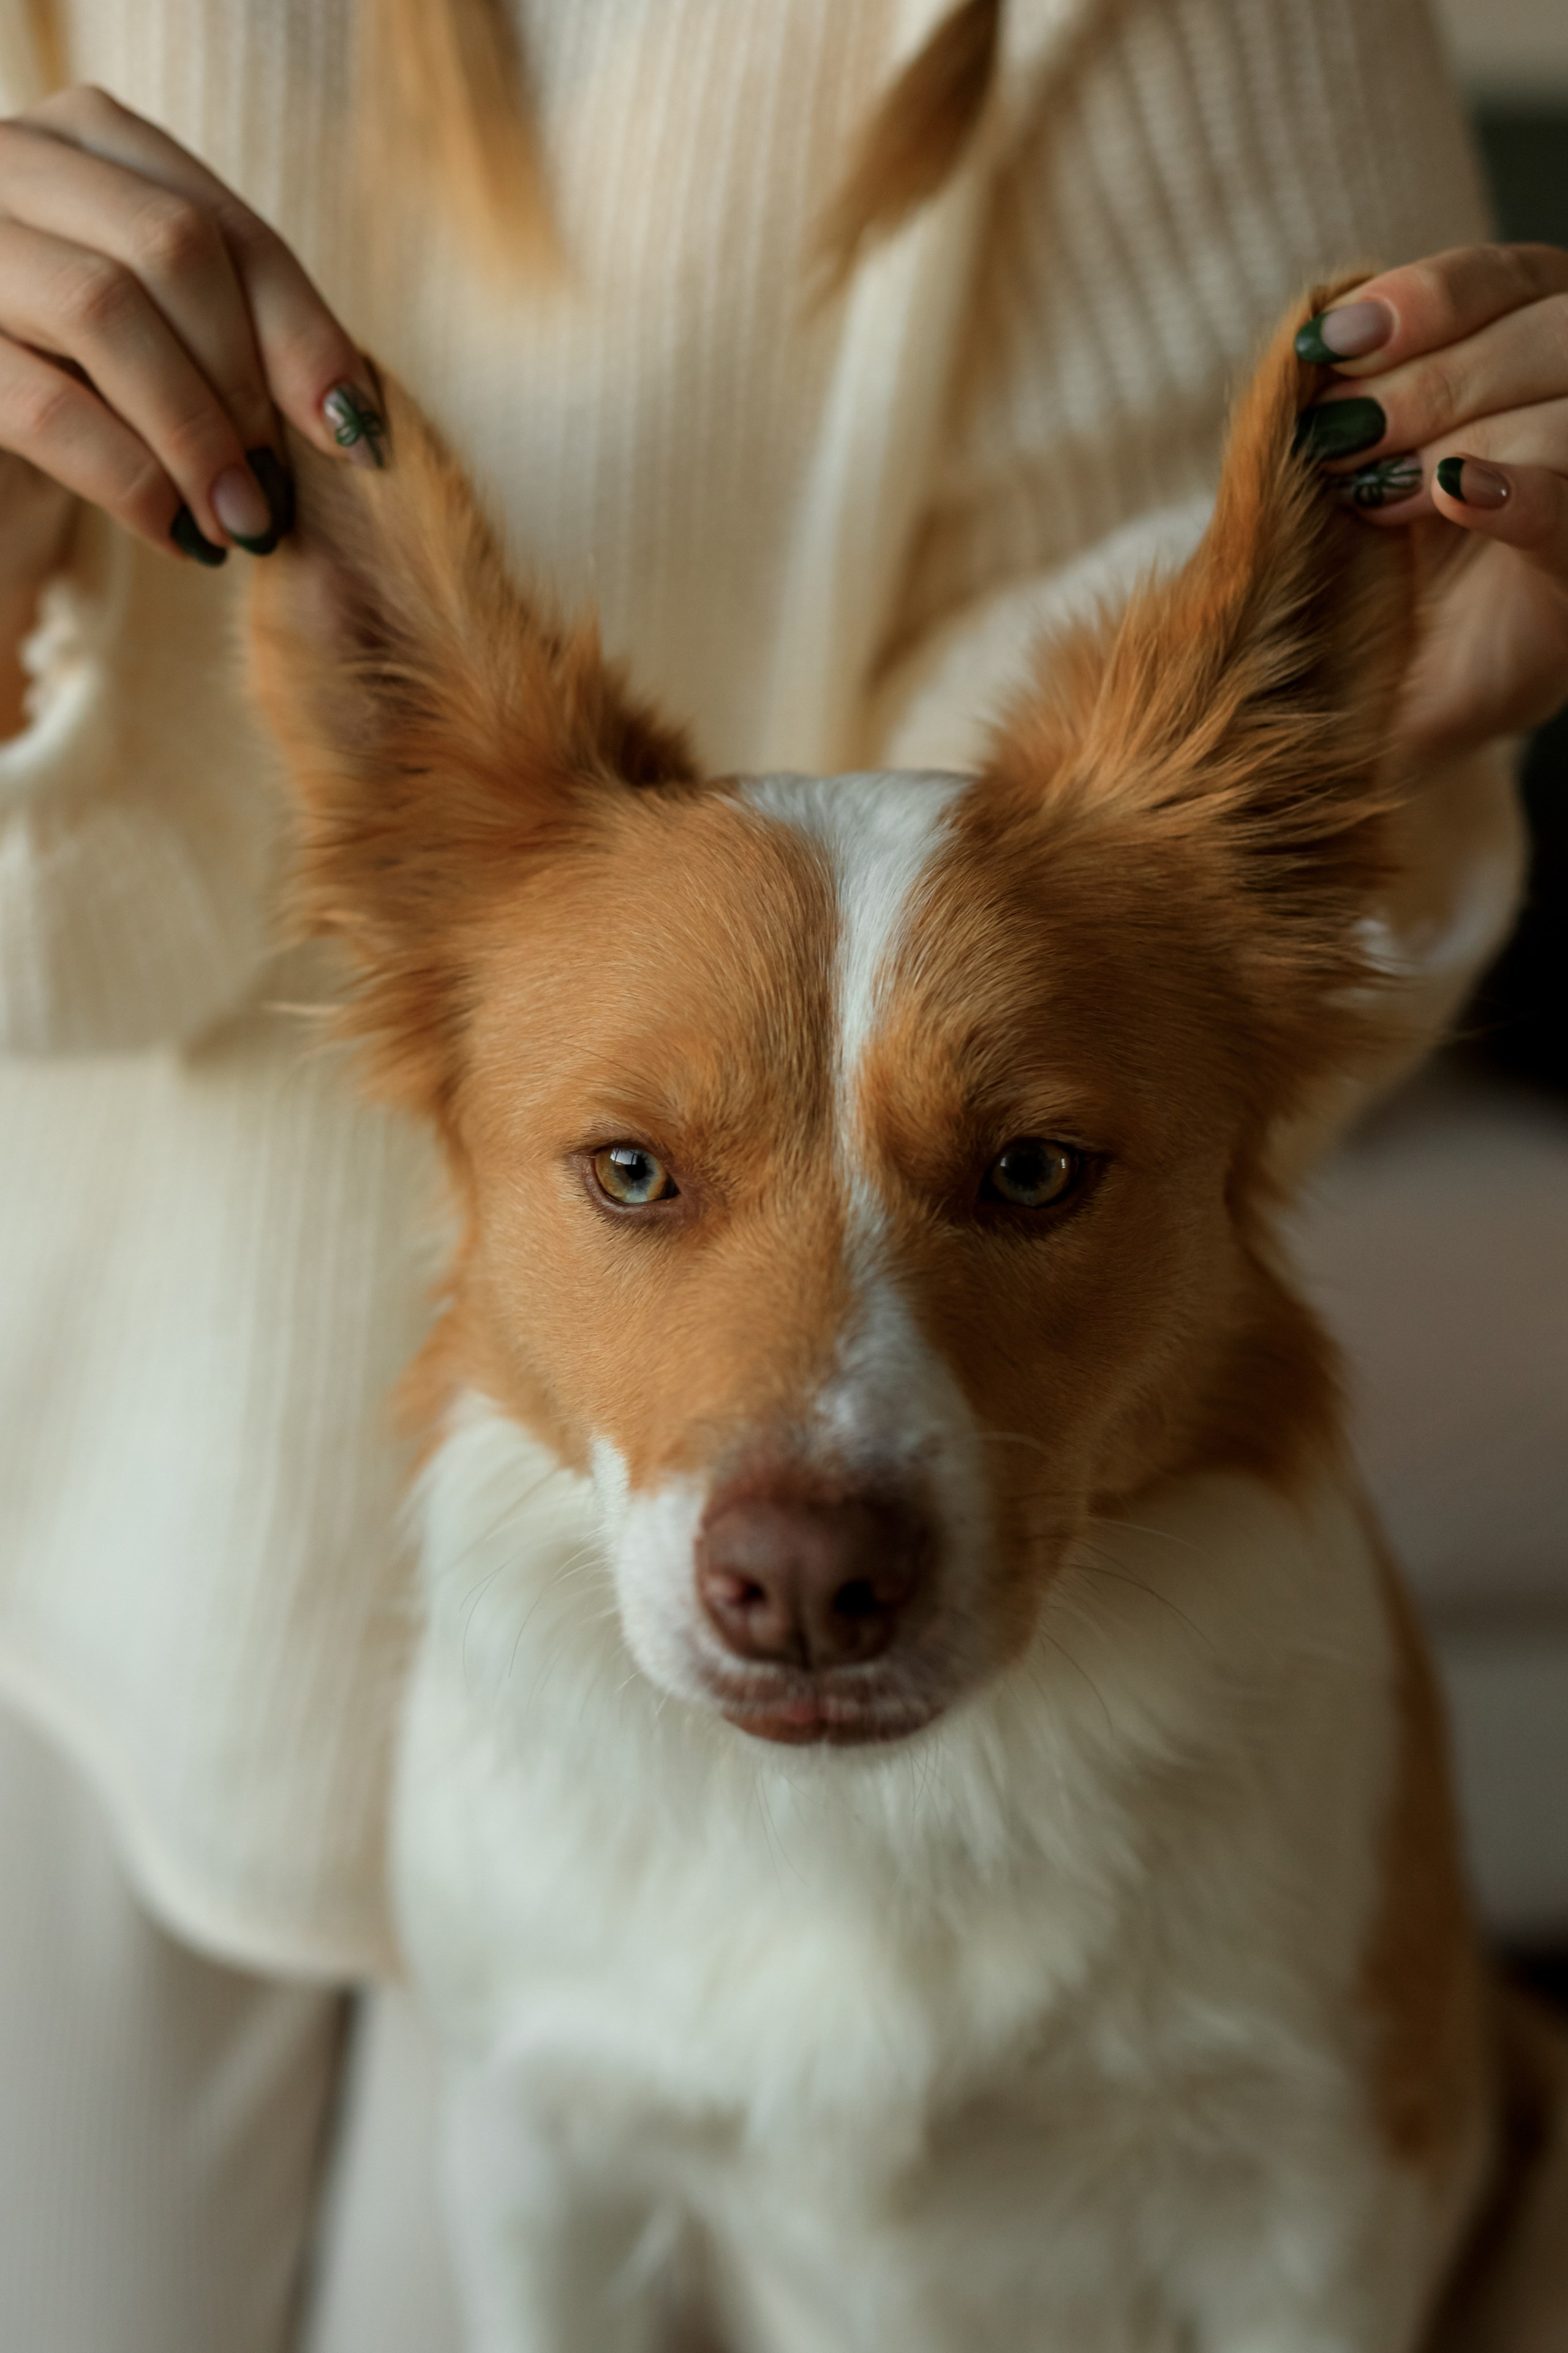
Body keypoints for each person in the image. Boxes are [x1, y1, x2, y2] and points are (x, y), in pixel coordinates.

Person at [0, 2, 1562, 2346]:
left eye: (1025, 1172)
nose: (811, 1482)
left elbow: (1140, 917)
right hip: (119, 1544)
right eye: (635, 1169)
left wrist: (1412, 704)